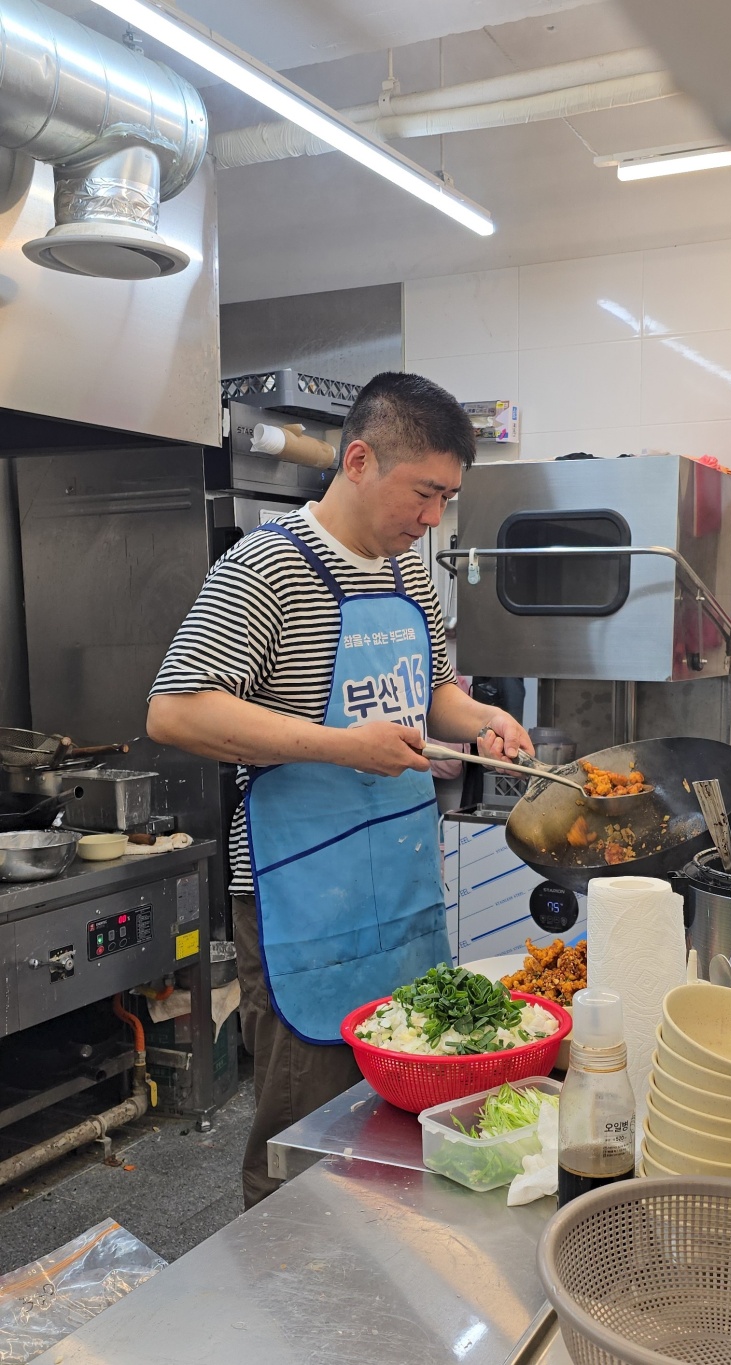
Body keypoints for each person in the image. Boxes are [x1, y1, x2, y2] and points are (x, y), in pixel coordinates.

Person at [147, 371, 532, 1206]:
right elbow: (175, 709)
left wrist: (482, 720)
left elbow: (434, 690)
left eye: (447, 498)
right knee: (308, 1129)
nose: (433, 517)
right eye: (423, 493)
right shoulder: (267, 566)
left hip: (399, 887)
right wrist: (342, 747)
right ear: (359, 460)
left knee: (406, 1111)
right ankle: (288, 1283)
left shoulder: (406, 574)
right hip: (301, 898)